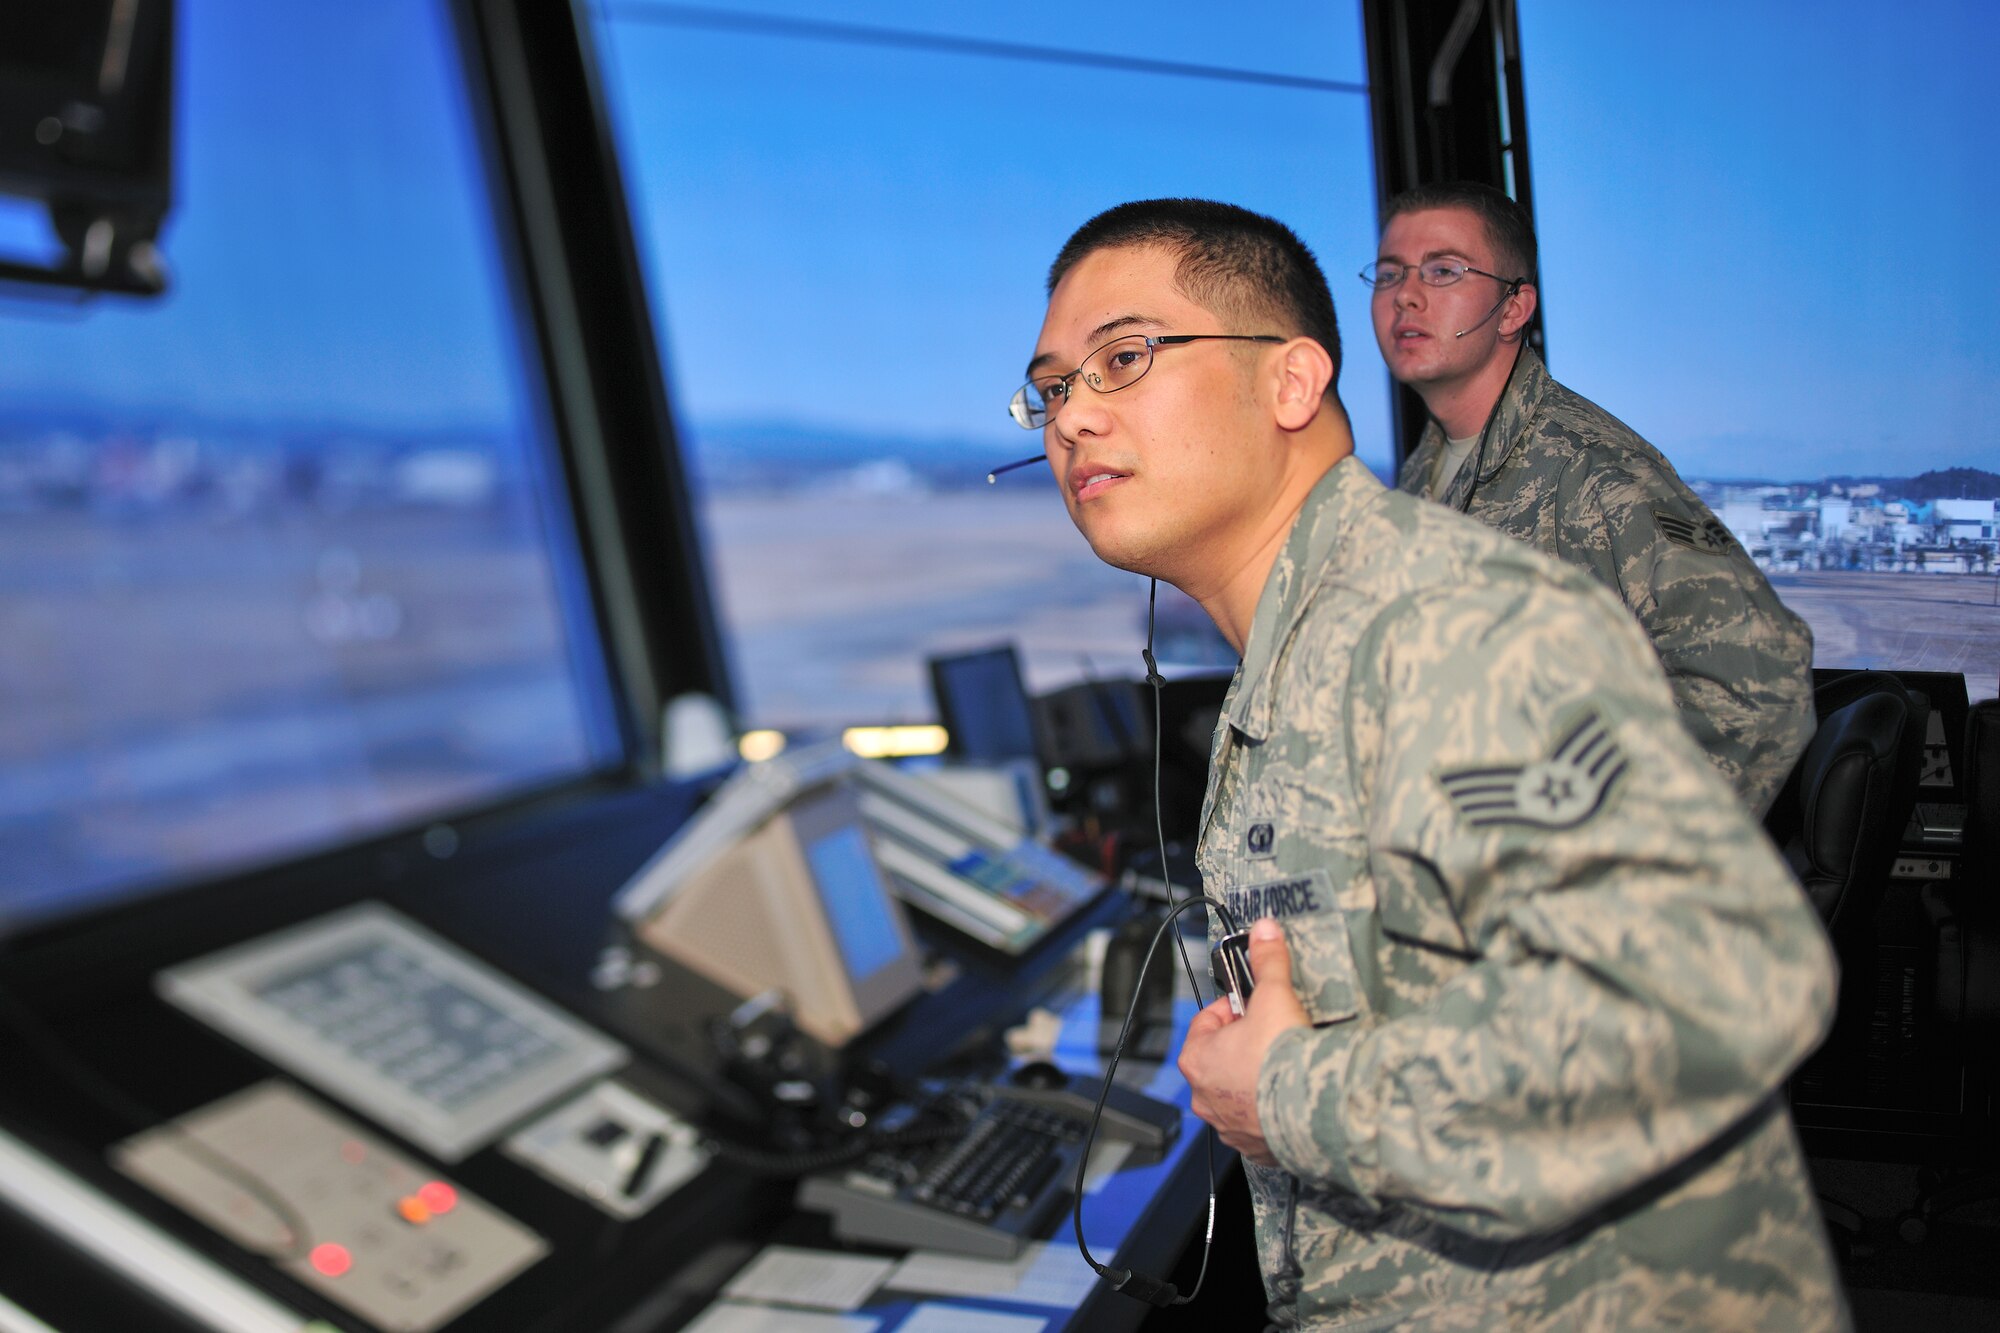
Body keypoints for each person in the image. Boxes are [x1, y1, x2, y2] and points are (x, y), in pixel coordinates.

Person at [1011, 198, 1847, 1329]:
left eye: (1123, 359)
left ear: (1291, 385)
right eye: (1053, 386)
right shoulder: (1309, 646)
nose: (1070, 418)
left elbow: (1708, 998)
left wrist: (1283, 1095)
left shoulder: (1446, 625)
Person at [1368, 181, 1814, 817]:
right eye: (1389, 274)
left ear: (1514, 307)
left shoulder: (1591, 470)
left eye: (1444, 270)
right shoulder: (1426, 475)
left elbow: (1760, 677)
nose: (1405, 295)